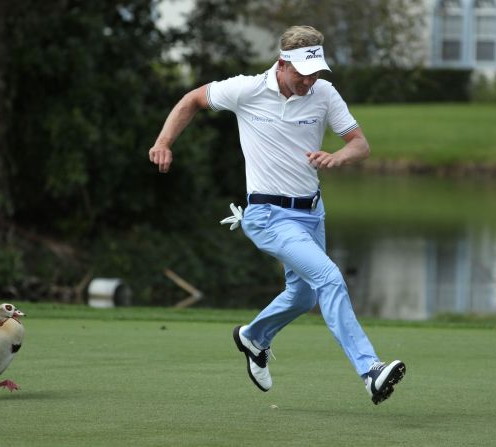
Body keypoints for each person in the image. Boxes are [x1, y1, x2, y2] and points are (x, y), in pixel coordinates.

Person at [148, 25, 406, 405]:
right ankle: (370, 370)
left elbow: (360, 145)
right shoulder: (247, 90)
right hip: (267, 215)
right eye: (303, 73)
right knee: (329, 277)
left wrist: (338, 156)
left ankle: (254, 337)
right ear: (283, 64)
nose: (310, 80)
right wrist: (164, 142)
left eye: (316, 72)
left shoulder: (323, 92)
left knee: (303, 296)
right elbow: (191, 100)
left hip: (311, 214)